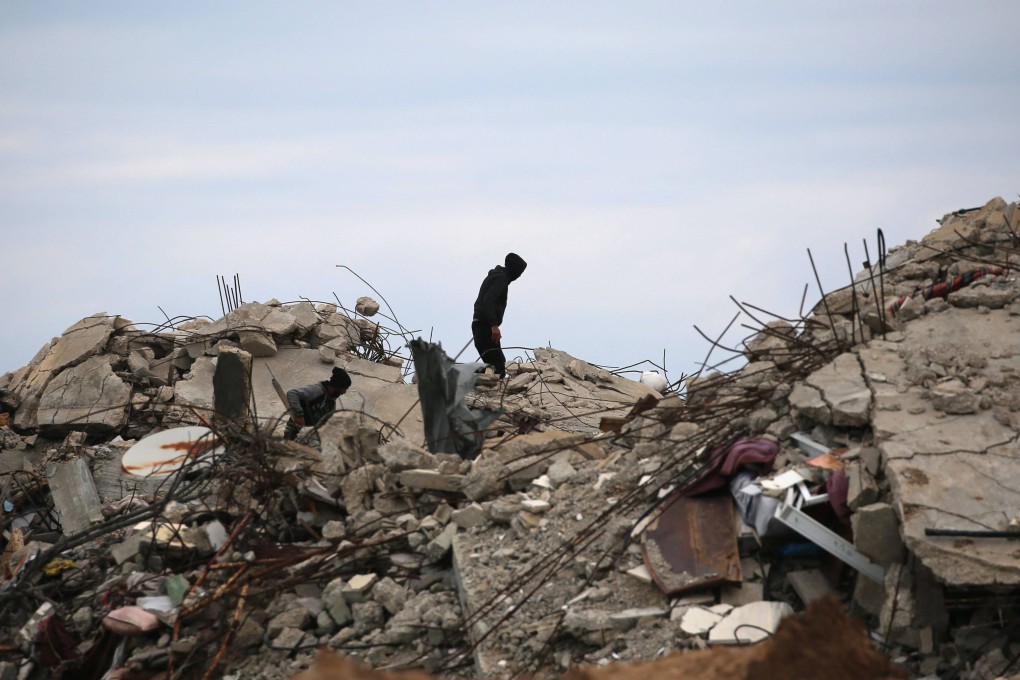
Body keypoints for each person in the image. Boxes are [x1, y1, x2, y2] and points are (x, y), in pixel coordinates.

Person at [472, 252, 527, 378]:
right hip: (485, 326)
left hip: (479, 324)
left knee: (493, 367)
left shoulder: (495, 276)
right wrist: (494, 325)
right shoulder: (501, 279)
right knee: (498, 368)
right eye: (519, 272)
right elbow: (488, 301)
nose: (518, 276)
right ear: (514, 270)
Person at [284, 366, 352, 440]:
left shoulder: (332, 403)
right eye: (344, 388)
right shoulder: (317, 390)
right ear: (338, 386)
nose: (344, 392)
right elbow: (292, 393)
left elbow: (326, 423)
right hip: (293, 433)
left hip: (308, 437)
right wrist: (299, 415)